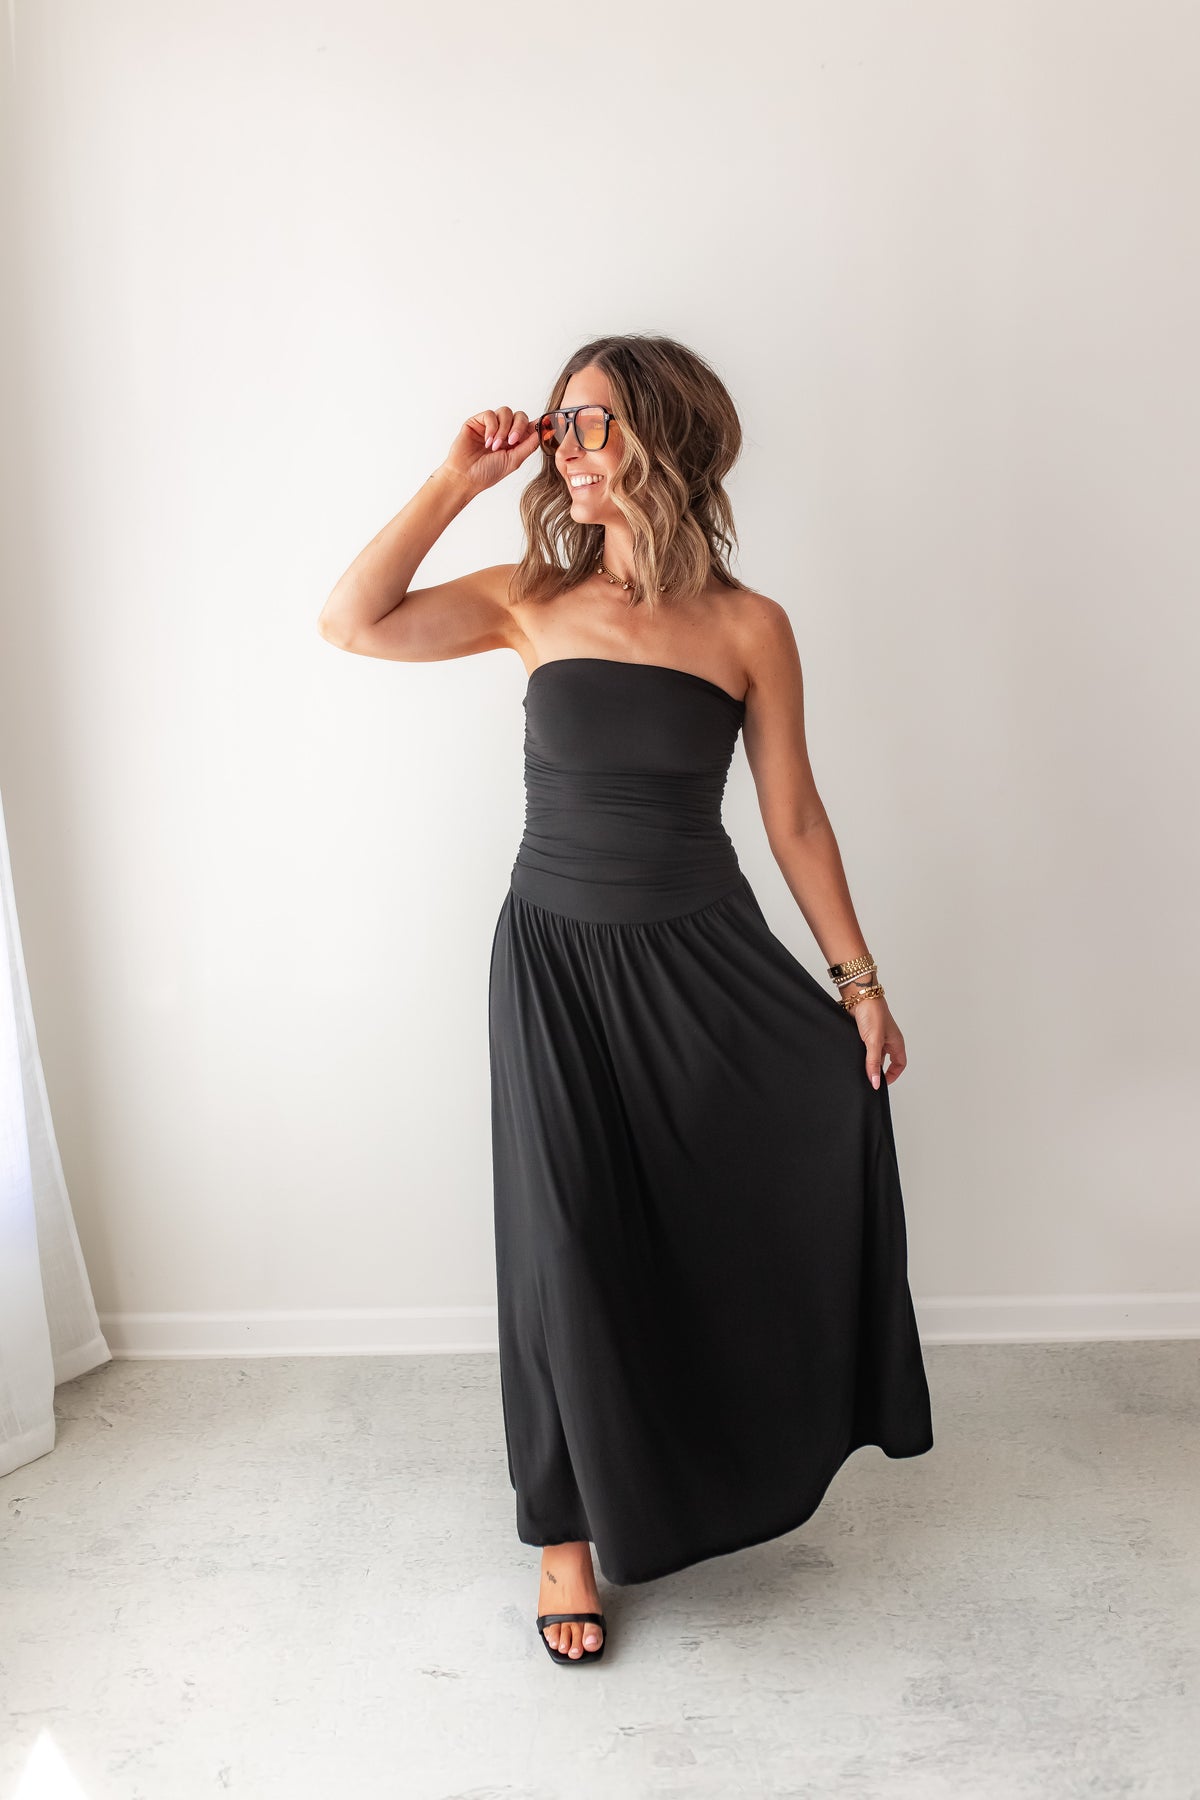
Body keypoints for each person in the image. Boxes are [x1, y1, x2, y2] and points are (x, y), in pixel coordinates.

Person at [318, 333, 934, 1667]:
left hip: (700, 961)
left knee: (720, 1202)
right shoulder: (529, 598)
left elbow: (795, 818)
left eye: (590, 422)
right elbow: (351, 622)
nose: (565, 447)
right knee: (561, 1242)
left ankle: (698, 1456)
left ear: (665, 438)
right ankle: (563, 1534)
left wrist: (859, 985)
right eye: (560, 424)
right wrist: (455, 479)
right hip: (553, 962)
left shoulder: (750, 627)